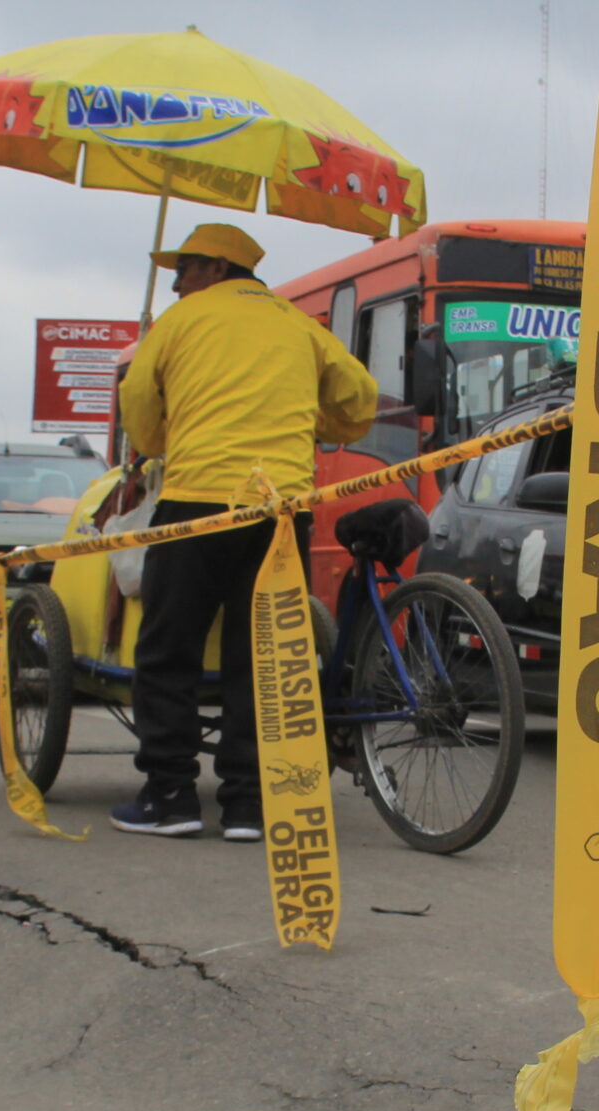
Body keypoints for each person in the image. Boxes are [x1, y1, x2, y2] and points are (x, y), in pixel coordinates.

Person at [111, 224, 376, 839]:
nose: (176, 282)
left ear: (213, 268)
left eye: (183, 269)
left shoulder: (178, 322)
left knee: (166, 651)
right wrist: (315, 423)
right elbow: (358, 401)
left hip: (195, 504)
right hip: (281, 512)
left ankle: (170, 796)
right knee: (261, 660)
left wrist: (158, 446)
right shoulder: (300, 324)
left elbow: (139, 405)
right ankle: (249, 806)